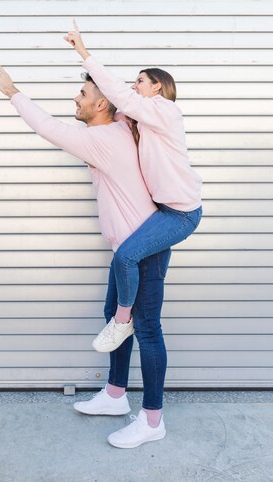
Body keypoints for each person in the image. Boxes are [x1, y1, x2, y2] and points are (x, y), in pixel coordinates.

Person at [0, 60, 171, 449]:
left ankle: (152, 420)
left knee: (147, 330)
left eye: (84, 94)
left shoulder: (102, 138)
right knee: (116, 320)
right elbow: (123, 102)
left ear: (102, 106)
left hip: (144, 251)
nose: (76, 98)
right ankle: (114, 395)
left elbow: (47, 127)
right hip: (127, 247)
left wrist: (12, 91)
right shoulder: (121, 126)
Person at [63, 20, 203, 358]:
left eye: (140, 80)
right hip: (161, 213)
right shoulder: (139, 119)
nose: (132, 85)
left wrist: (84, 52)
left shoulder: (165, 111)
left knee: (127, 257)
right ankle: (114, 389)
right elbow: (113, 115)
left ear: (157, 87)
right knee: (125, 258)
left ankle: (122, 319)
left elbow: (119, 97)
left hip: (181, 213)